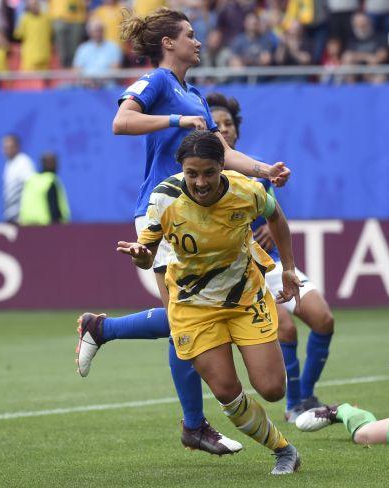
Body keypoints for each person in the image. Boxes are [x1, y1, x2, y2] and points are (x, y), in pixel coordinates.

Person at [75, 7, 290, 457]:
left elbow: (223, 153)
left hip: (201, 213)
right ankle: (192, 423)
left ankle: (104, 329)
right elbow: (121, 122)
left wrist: (264, 168)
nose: (198, 40)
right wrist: (175, 122)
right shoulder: (157, 82)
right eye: (190, 35)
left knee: (183, 318)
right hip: (164, 211)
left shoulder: (191, 94)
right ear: (168, 43)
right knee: (182, 318)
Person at [117, 130, 302, 474]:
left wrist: (288, 268)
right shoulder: (164, 199)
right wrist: (141, 257)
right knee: (228, 393)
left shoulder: (247, 191)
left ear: (222, 167)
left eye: (208, 173)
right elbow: (148, 255)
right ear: (181, 170)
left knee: (273, 389)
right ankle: (284, 450)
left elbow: (276, 216)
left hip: (245, 296)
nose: (200, 182)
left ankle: (101, 329)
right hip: (193, 306)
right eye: (191, 173)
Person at [205, 93, 334, 422]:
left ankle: (305, 392)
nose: (224, 130)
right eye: (216, 125)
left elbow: (273, 214)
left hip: (271, 262)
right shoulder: (202, 175)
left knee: (323, 319)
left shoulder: (255, 169)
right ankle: (294, 406)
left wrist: (270, 230)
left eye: (228, 124)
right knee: (286, 329)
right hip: (240, 271)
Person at [19, 152, 71, 225]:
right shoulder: (50, 181)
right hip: (46, 228)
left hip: (27, 228)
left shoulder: (31, 180)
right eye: (54, 162)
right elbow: (54, 208)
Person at [2, 134, 36, 223]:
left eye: (8, 147)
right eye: (4, 147)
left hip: (21, 215)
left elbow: (31, 186)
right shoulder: (9, 164)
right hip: (10, 213)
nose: (5, 150)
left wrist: (26, 212)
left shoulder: (23, 162)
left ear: (16, 147)